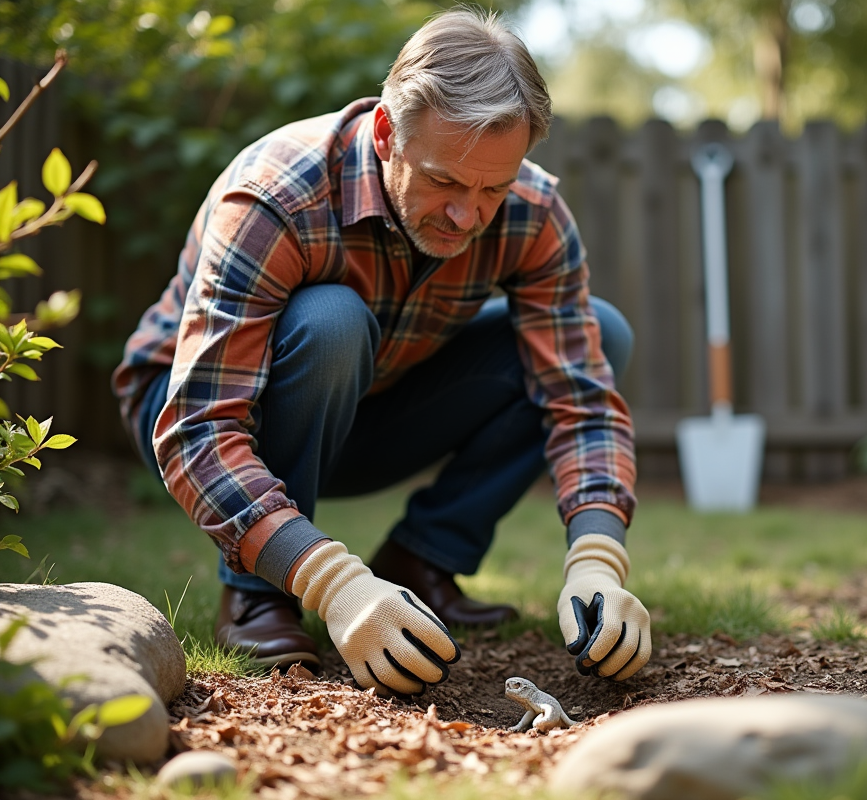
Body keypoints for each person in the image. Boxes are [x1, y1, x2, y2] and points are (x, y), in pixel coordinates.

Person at [112, 8, 651, 696]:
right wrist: (332, 583)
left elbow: (581, 401)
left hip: (370, 406)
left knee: (602, 332)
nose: (468, 214)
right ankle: (255, 593)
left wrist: (598, 561)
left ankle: (423, 562)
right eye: (446, 182)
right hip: (195, 410)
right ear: (388, 132)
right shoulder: (278, 195)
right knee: (330, 320)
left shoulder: (532, 213)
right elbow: (199, 431)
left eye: (492, 187)